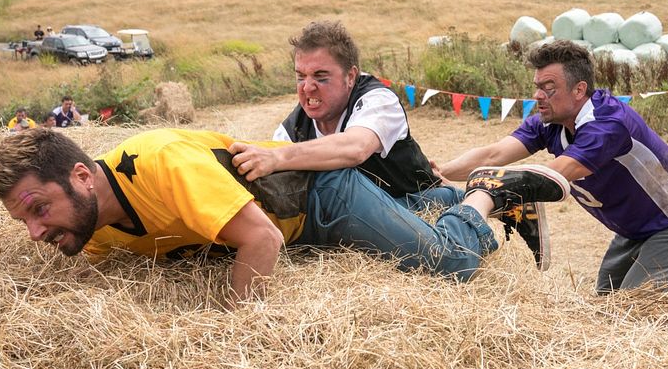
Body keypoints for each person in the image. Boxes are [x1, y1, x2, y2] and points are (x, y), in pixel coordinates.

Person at [0, 128, 569, 304]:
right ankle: (435, 202)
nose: (38, 233)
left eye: (40, 210)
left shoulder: (163, 168)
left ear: (81, 176)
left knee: (450, 263)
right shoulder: (88, 226)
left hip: (320, 201)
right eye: (25, 223)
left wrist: (245, 334)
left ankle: (489, 192)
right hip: (299, 229)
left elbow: (260, 239)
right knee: (412, 222)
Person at [228, 20, 550, 267]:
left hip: (417, 193)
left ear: (351, 76)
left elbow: (355, 148)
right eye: (300, 76)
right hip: (382, 204)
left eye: (321, 77)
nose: (308, 87)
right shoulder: (291, 129)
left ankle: (484, 195)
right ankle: (500, 199)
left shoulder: (377, 99)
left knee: (449, 261)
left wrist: (279, 158)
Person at [439, 40, 668, 294]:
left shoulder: (607, 124)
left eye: (548, 87)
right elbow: (493, 154)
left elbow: (555, 175)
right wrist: (438, 173)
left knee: (634, 308)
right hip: (636, 227)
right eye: (536, 86)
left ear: (579, 89)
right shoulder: (551, 122)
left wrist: (494, 192)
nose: (538, 95)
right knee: (605, 299)